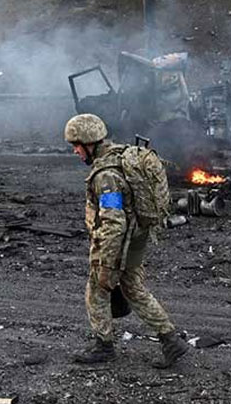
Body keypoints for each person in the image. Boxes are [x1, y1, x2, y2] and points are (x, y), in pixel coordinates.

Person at [64, 113, 188, 367]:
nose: (75, 152)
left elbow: (113, 221)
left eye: (77, 146)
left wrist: (106, 262)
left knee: (97, 289)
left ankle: (104, 346)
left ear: (90, 143)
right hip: (136, 237)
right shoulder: (120, 154)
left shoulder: (106, 177)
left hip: (119, 240)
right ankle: (170, 339)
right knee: (134, 288)